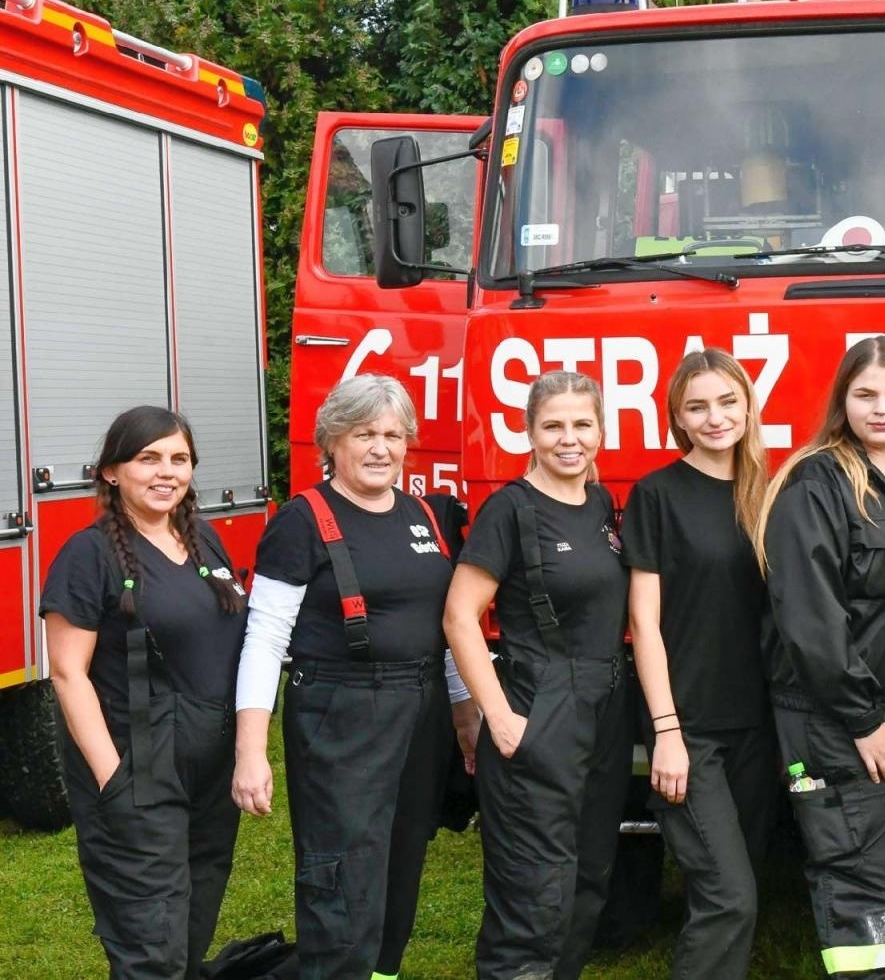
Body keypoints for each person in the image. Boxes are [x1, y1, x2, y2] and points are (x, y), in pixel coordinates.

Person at [232, 374, 463, 980]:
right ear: (331, 441)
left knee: (403, 861)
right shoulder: (301, 520)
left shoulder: (424, 514)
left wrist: (463, 713)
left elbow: (440, 630)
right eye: (364, 434)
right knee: (345, 877)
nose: (381, 447)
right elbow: (264, 639)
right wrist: (251, 751)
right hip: (342, 711)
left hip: (423, 708)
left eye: (393, 434)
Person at [754, 335, 885, 979]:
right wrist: (863, 719)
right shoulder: (819, 484)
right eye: (866, 394)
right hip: (840, 720)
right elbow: (811, 620)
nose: (882, 408)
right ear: (842, 400)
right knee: (857, 883)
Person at [43, 406, 248, 979]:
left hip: (210, 771)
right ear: (112, 472)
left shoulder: (204, 541)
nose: (167, 472)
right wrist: (113, 777)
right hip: (138, 767)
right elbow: (67, 672)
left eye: (178, 459)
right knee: (149, 942)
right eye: (148, 458)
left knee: (190, 926)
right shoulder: (88, 556)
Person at [443, 370, 631, 980]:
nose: (568, 438)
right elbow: (459, 617)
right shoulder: (509, 509)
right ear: (527, 432)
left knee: (588, 879)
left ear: (602, 430)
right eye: (553, 426)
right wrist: (498, 716)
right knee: (535, 891)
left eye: (582, 424)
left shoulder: (599, 502)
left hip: (604, 705)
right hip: (538, 703)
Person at [622, 348, 778, 979]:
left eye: (726, 402)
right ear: (678, 419)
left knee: (742, 886)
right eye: (697, 407)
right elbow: (644, 624)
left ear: (747, 406)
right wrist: (666, 732)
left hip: (763, 727)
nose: (714, 418)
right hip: (691, 729)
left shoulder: (773, 490)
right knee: (728, 897)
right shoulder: (656, 495)